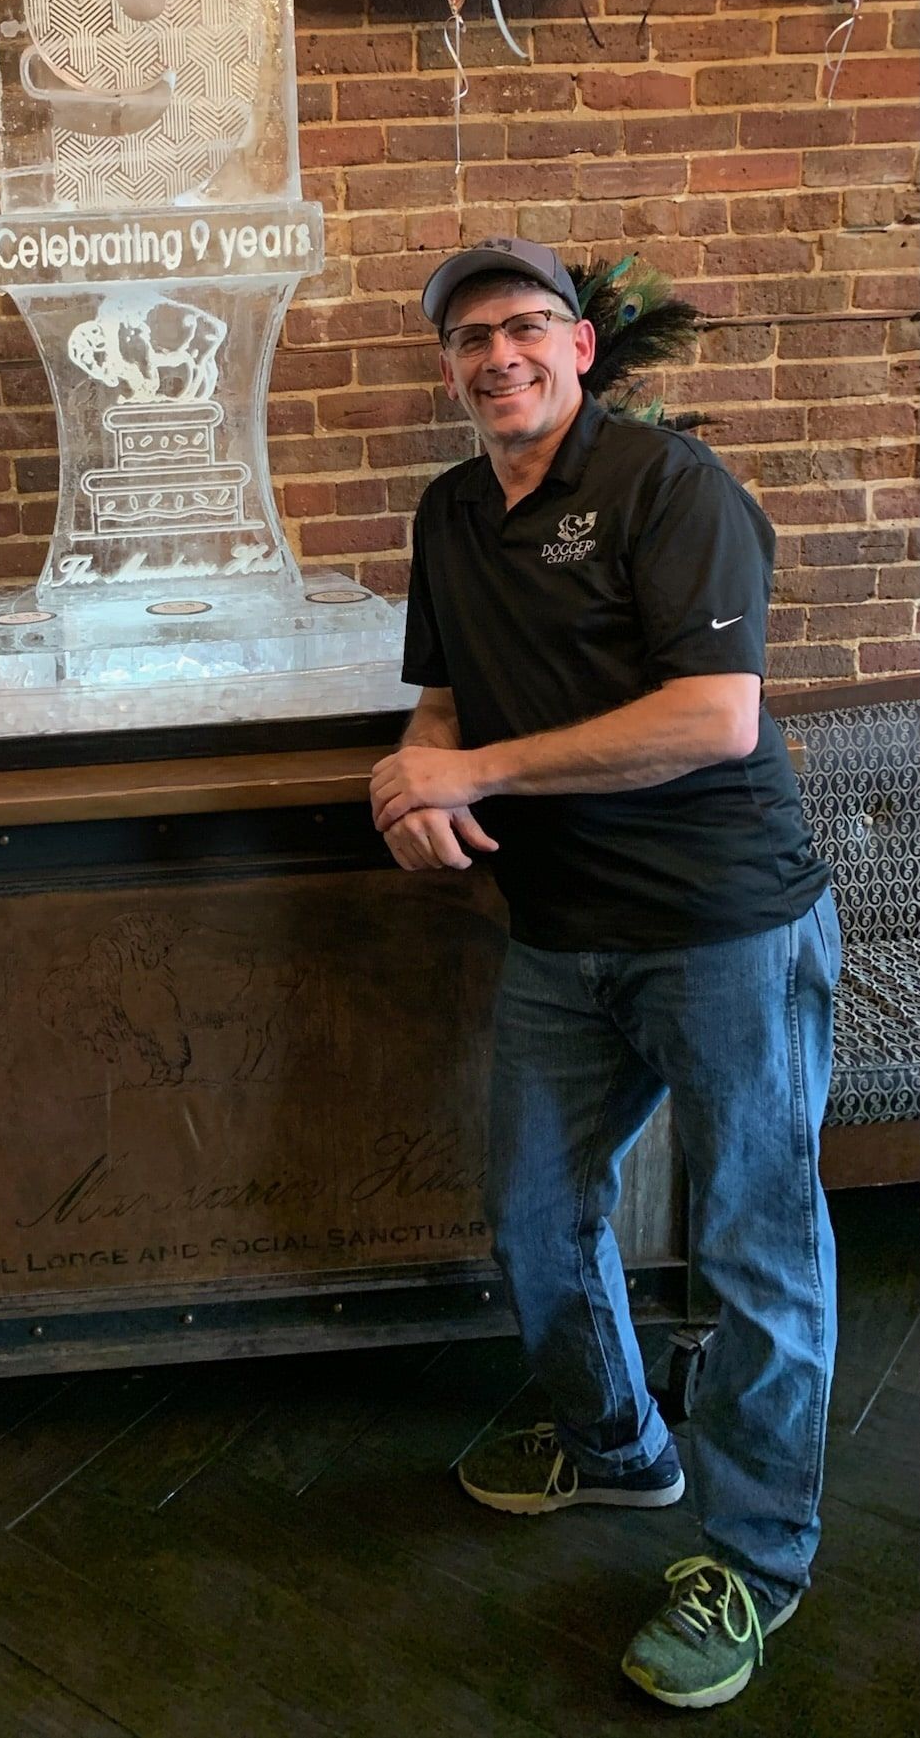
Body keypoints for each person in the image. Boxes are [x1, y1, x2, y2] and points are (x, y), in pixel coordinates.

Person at [370, 237, 838, 1713]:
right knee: (529, 1215)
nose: (494, 354)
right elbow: (439, 697)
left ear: (579, 345)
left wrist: (476, 765)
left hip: (723, 926)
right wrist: (410, 780)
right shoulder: (450, 510)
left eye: (522, 327)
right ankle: (622, 1445)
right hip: (558, 929)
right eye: (467, 337)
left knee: (756, 1243)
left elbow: (710, 716)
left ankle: (753, 1562)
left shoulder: (665, 485)